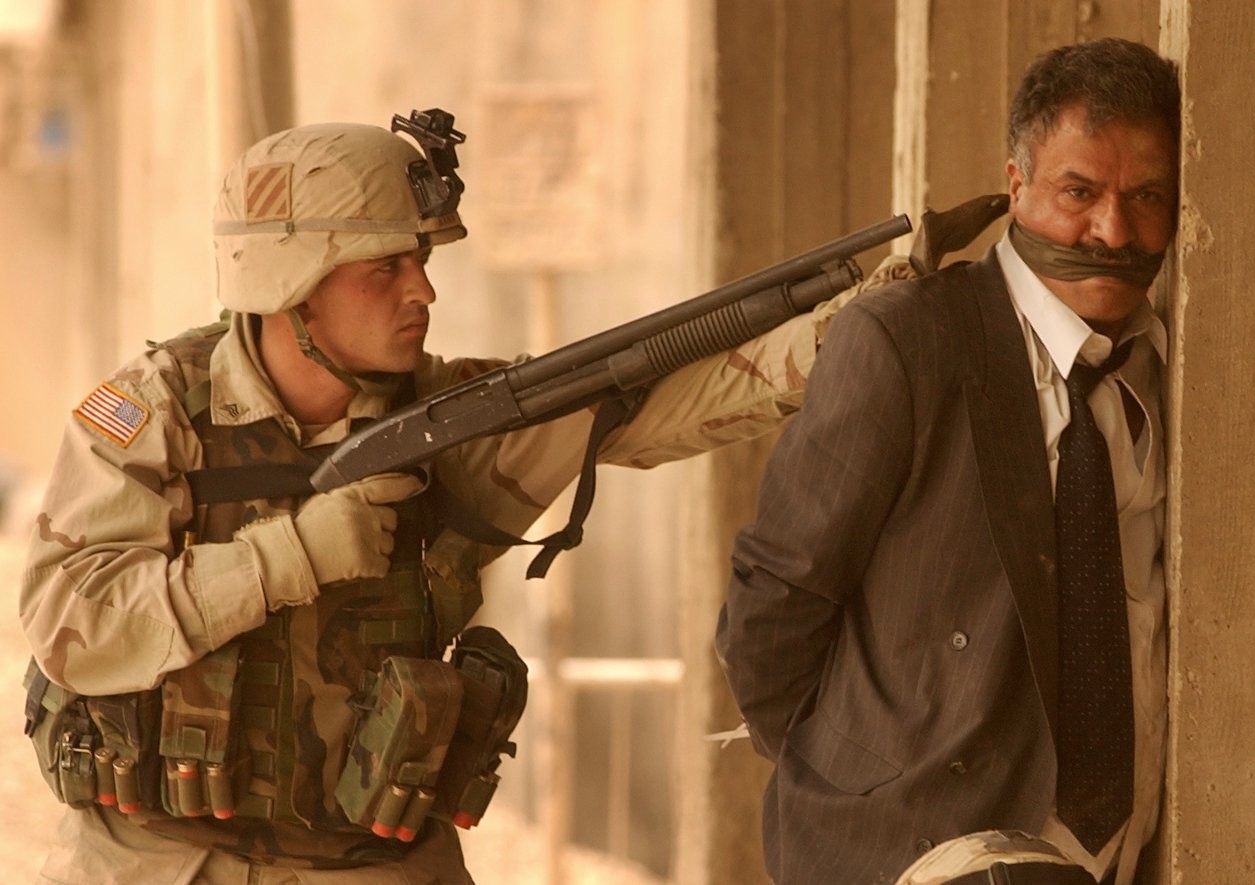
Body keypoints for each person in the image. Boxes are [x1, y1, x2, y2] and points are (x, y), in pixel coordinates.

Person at [19, 110, 857, 884]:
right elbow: (68, 623)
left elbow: (667, 402)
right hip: (160, 864)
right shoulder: (155, 412)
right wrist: (287, 555)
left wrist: (852, 328)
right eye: (385, 268)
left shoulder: (451, 422)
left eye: (420, 262)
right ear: (292, 286)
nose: (422, 291)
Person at [717, 37, 1180, 885]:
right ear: (1016, 187)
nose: (1112, 232)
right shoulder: (905, 342)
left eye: (1145, 196)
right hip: (911, 858)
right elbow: (771, 605)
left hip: (1112, 857)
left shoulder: (1164, 367)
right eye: (1078, 192)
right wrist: (857, 791)